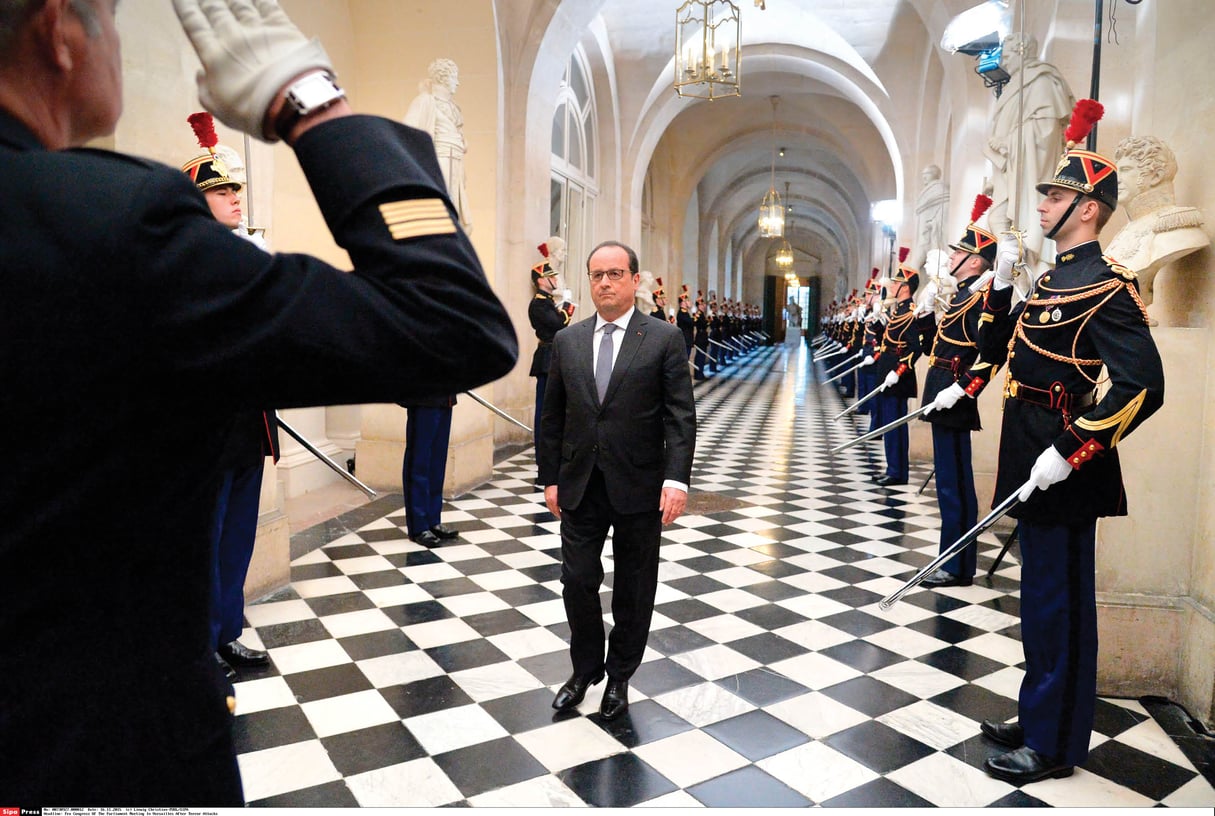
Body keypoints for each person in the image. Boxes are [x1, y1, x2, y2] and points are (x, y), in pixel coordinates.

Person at [0, 0, 516, 805]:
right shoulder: (110, 224)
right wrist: (311, 103)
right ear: (59, 32)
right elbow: (452, 326)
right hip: (89, 750)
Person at [975, 101, 1164, 784]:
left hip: (1063, 459)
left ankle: (1054, 744)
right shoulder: (1052, 279)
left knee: (1059, 604)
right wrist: (997, 291)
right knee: (1037, 602)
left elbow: (1142, 386)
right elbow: (1011, 355)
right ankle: (1040, 712)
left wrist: (1072, 448)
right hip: (1030, 447)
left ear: (1086, 207)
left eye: (1054, 194)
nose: (1044, 203)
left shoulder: (1105, 286)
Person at [538, 241, 696, 721]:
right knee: (577, 579)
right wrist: (549, 479)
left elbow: (680, 417)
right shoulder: (568, 340)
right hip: (580, 483)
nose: (604, 282)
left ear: (632, 279)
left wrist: (677, 480)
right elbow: (552, 417)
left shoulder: (663, 338)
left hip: (640, 485)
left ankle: (620, 676)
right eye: (596, 275)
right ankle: (586, 668)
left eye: (614, 273)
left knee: (633, 586)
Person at [182, 112, 279, 680]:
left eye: (236, 189)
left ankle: (226, 631)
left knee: (238, 535)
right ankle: (198, 641)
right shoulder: (190, 260)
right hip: (206, 425)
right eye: (221, 191)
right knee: (205, 538)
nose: (234, 198)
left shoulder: (248, 252)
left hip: (248, 421)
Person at [916, 195, 1000, 589]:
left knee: (955, 484)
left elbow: (988, 350)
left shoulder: (979, 298)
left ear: (976, 261)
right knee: (950, 482)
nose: (951, 258)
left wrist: (962, 390)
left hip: (954, 396)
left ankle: (958, 564)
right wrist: (929, 314)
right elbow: (940, 343)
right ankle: (952, 558)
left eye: (959, 253)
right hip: (942, 393)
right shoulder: (962, 295)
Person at [982, 33, 1074, 277]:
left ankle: (1026, 272)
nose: (1004, 63)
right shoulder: (1017, 83)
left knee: (1018, 222)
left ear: (1022, 52)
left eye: (1009, 56)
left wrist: (1008, 144)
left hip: (1029, 168)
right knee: (998, 219)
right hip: (1010, 170)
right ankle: (1008, 275)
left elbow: (1045, 132)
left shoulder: (1041, 81)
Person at [1104, 135, 1208, 310]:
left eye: (1126, 169)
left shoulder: (1178, 229)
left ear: (1156, 176)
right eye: (1118, 171)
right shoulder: (1125, 232)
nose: (1117, 178)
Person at [871, 249, 923, 486]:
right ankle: (893, 467)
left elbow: (915, 348)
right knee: (890, 425)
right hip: (888, 375)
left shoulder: (911, 313)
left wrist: (899, 371)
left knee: (895, 426)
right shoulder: (897, 311)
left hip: (897, 378)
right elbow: (889, 342)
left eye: (896, 282)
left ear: (906, 287)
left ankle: (897, 471)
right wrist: (880, 326)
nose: (891, 285)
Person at [404, 57, 472, 232]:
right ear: (444, 78)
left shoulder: (454, 108)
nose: (458, 83)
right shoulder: (426, 101)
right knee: (440, 208)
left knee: (457, 216)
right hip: (440, 158)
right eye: (454, 77)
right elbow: (409, 134)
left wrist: (462, 141)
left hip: (455, 160)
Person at [529, 247, 574, 450]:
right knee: (545, 412)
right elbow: (558, 324)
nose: (555, 281)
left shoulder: (547, 302)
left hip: (554, 356)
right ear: (541, 280)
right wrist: (567, 309)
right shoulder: (538, 304)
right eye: (551, 278)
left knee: (556, 410)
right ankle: (543, 458)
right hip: (546, 357)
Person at [402, 396, 460, 546]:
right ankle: (418, 525)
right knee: (419, 461)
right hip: (423, 396)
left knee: (437, 462)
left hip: (445, 394)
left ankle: (433, 520)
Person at [911, 164, 950, 270]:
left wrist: (934, 225)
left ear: (935, 174)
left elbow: (944, 214)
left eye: (926, 174)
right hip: (923, 234)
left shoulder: (939, 191)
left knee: (917, 262)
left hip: (930, 234)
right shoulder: (927, 192)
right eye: (923, 174)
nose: (923, 176)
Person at [692, 292, 710, 380]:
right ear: (698, 306)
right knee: (700, 356)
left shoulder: (702, 314)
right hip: (700, 337)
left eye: (704, 305)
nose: (704, 306)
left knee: (702, 356)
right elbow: (700, 324)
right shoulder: (698, 314)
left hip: (703, 336)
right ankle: (698, 374)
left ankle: (701, 372)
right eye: (701, 305)